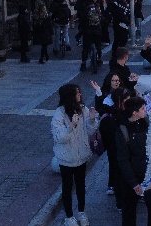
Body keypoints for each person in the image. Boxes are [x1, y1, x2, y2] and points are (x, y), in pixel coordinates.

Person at [51, 84, 98, 226]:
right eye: (77, 93)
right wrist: (71, 126)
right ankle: (69, 216)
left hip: (81, 155)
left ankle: (82, 212)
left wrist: (91, 120)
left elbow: (89, 132)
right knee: (67, 186)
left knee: (81, 185)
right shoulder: (59, 114)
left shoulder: (83, 109)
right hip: (66, 157)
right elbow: (59, 138)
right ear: (70, 96)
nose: (80, 95)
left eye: (80, 92)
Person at [115, 97, 149, 226]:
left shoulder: (145, 122)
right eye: (142, 108)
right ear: (134, 113)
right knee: (129, 210)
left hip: (147, 173)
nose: (145, 110)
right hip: (131, 178)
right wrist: (134, 184)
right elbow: (123, 160)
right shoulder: (122, 131)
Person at [80, 0, 104, 72]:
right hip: (97, 32)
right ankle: (99, 59)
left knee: (85, 48)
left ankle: (83, 64)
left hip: (88, 32)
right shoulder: (98, 12)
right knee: (98, 46)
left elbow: (82, 22)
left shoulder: (86, 12)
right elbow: (103, 20)